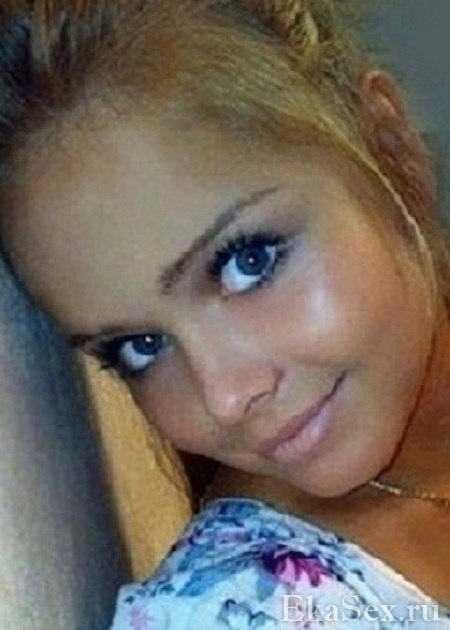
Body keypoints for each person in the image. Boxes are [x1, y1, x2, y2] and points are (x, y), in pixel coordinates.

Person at [0, 0, 448, 626]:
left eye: (248, 262)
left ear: (392, 150)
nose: (225, 397)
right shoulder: (241, 607)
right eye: (140, 346)